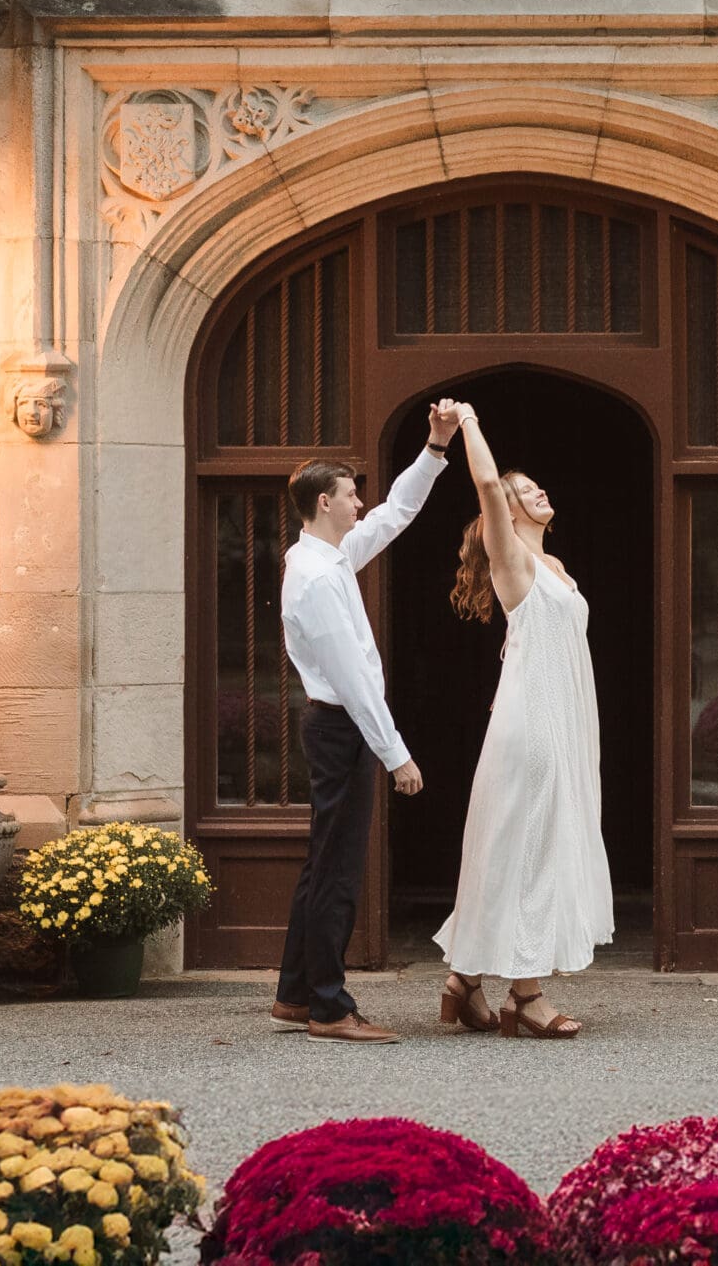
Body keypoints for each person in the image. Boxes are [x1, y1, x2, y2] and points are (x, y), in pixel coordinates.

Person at [269, 400, 461, 1044]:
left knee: (324, 863)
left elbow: (395, 514)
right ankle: (329, 1006)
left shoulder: (330, 556)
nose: (359, 503)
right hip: (340, 727)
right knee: (339, 871)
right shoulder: (317, 578)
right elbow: (352, 679)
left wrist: (434, 450)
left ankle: (296, 995)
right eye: (350, 495)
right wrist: (396, 754)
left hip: (338, 725)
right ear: (324, 502)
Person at [431, 401, 614, 1039]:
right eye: (523, 489)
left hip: (557, 719)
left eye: (536, 484)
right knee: (531, 849)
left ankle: (465, 981)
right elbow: (484, 482)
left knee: (516, 847)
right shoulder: (513, 560)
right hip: (534, 726)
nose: (537, 490)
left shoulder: (557, 568)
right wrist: (472, 422)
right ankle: (527, 996)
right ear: (505, 513)